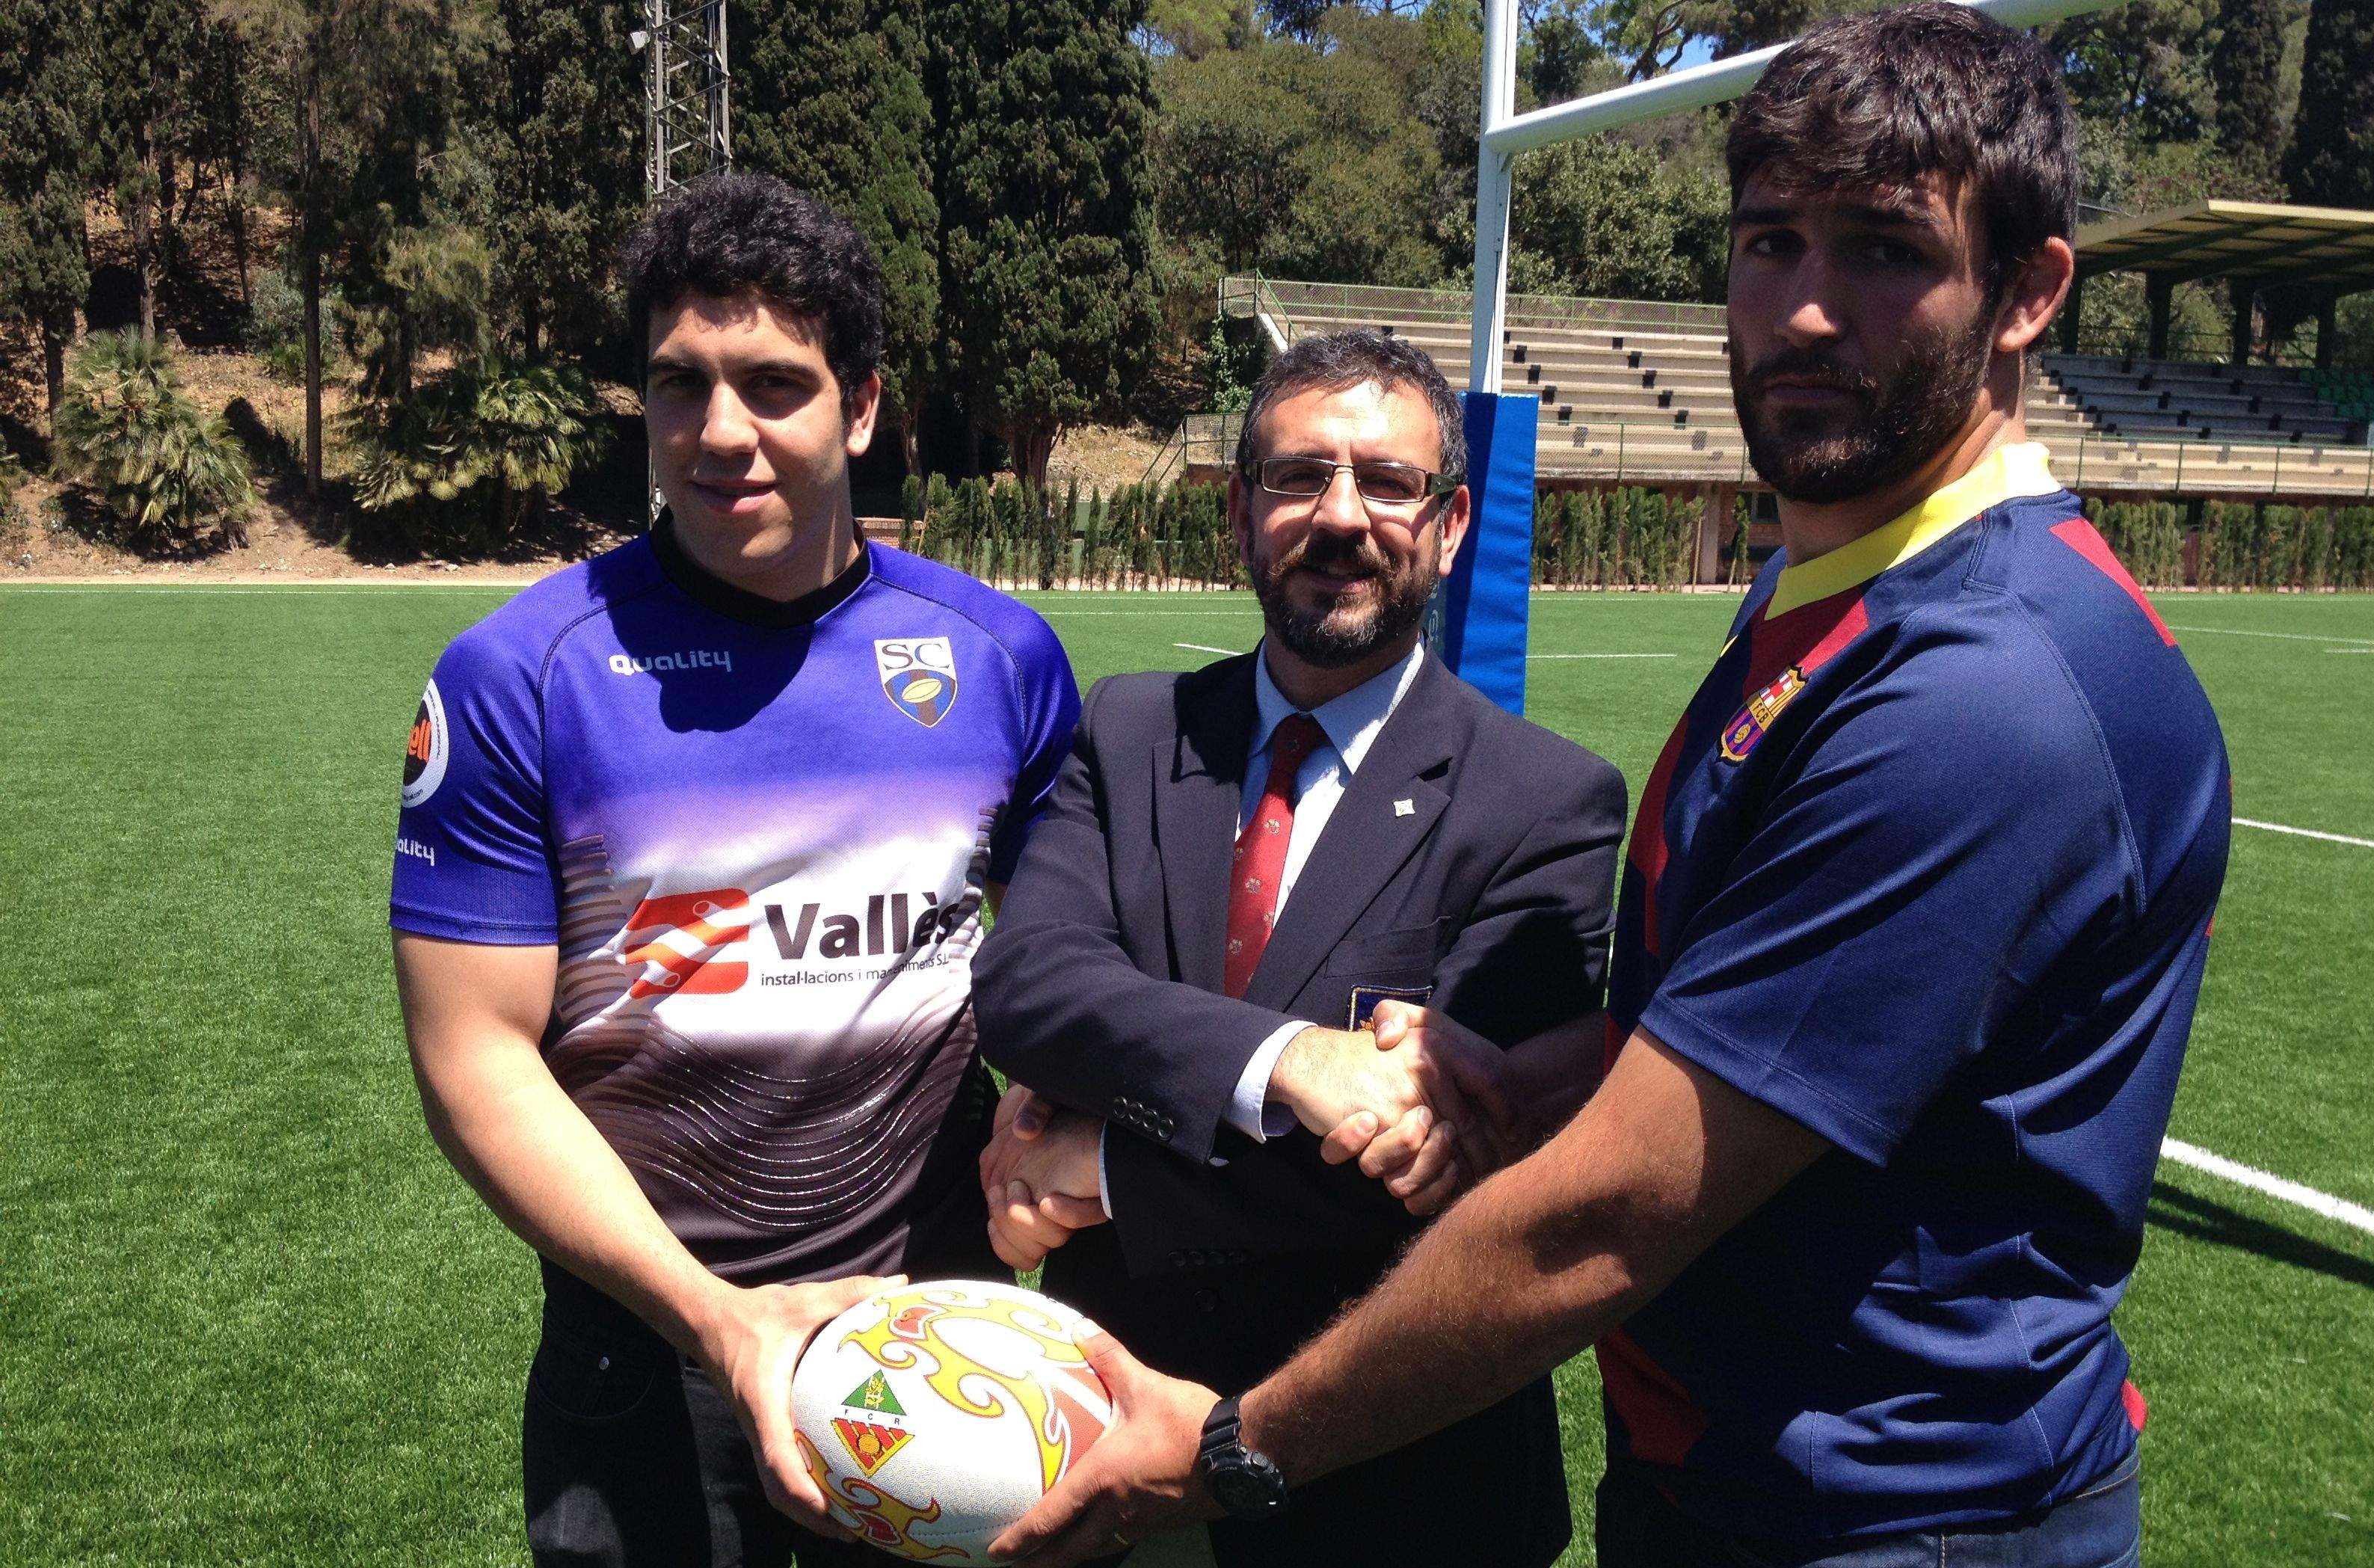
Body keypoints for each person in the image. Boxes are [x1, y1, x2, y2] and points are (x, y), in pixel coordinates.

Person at [984, 8, 2232, 1566]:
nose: (1810, 312)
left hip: (1892, 1516)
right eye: (1771, 241)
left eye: (1886, 249)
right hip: (1749, 1480)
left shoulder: (1982, 695)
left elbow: (1612, 1212)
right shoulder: (1842, 599)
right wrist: (1519, 1074)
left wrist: (1240, 1440)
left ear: (2028, 290)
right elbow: (1726, 1037)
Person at [389, 173, 1079, 1567]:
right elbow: (473, 1056)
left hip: (933, 1347)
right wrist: (713, 1313)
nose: (720, 434)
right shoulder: (519, 675)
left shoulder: (1001, 658)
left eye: (775, 383)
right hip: (645, 1349)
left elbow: (1068, 958)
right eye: (678, 385)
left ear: (864, 405)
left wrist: (1056, 1115)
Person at [967, 328, 1628, 1567]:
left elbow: (1449, 1161)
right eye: (1296, 476)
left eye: (1387, 481)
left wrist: (1101, 1163)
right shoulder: (1133, 725)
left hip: (1393, 1480)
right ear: (1238, 509)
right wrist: (1287, 1061)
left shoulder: (1545, 799)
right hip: (1110, 1442)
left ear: (1450, 520)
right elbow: (1028, 985)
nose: (1340, 517)